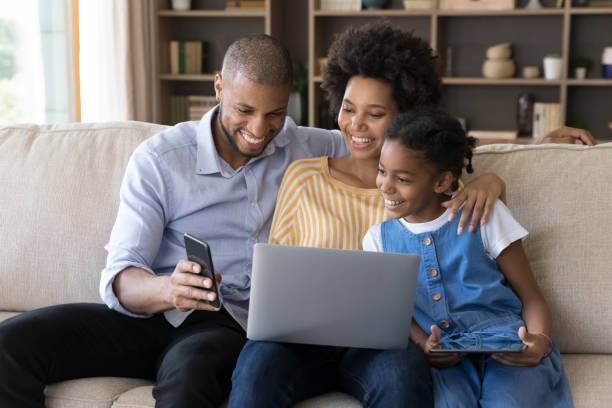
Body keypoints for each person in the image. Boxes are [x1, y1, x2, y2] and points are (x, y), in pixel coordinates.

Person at [0, 34, 351, 408]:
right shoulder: (161, 158)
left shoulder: (309, 147)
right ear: (219, 85)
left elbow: (382, 143)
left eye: (275, 114)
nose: (259, 129)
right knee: (10, 344)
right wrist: (169, 289)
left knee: (191, 371)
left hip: (223, 324)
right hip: (150, 313)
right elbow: (121, 275)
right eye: (244, 110)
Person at [228, 22, 508, 408]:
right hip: (299, 342)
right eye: (348, 108)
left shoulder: (424, 189)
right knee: (255, 367)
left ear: (406, 116)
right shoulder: (303, 176)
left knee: (401, 378)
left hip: (383, 344)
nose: (355, 125)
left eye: (374, 114)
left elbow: (467, 206)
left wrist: (493, 181)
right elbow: (277, 275)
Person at [362, 108, 573, 407]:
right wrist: (424, 344)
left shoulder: (485, 215)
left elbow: (531, 296)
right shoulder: (377, 240)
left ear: (441, 181)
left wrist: (539, 341)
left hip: (509, 346)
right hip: (445, 360)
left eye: (403, 178)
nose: (385, 185)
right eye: (382, 171)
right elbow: (396, 312)